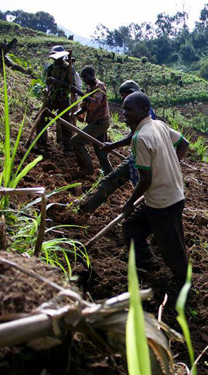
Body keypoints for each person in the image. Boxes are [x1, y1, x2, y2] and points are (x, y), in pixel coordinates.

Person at [121, 92, 189, 282]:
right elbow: (183, 144)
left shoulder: (140, 138)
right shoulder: (158, 124)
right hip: (171, 195)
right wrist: (169, 165)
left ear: (144, 110)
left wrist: (130, 202)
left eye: (129, 109)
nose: (124, 113)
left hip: (162, 203)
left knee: (171, 248)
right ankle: (147, 264)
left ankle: (185, 284)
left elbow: (145, 180)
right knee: (132, 228)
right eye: (124, 109)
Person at [79, 80, 156, 213]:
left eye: (124, 97)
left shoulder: (144, 112)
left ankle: (84, 210)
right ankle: (85, 209)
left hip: (143, 157)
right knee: (114, 182)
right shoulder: (144, 108)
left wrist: (113, 145)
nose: (124, 104)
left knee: (111, 182)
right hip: (143, 155)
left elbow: (134, 136)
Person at [71, 66, 113, 176]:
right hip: (96, 122)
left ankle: (87, 168)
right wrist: (75, 114)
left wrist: (78, 92)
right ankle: (110, 174)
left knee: (76, 141)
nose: (84, 80)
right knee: (100, 150)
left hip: (100, 122)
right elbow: (85, 105)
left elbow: (94, 103)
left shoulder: (100, 87)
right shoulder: (90, 88)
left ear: (92, 75)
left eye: (85, 77)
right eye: (83, 78)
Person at [35, 45, 77, 154]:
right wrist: (48, 84)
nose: (56, 59)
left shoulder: (69, 68)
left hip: (63, 98)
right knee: (40, 117)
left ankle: (68, 148)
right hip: (52, 97)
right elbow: (48, 84)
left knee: (65, 123)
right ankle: (41, 143)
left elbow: (71, 86)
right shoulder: (50, 68)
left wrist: (56, 82)